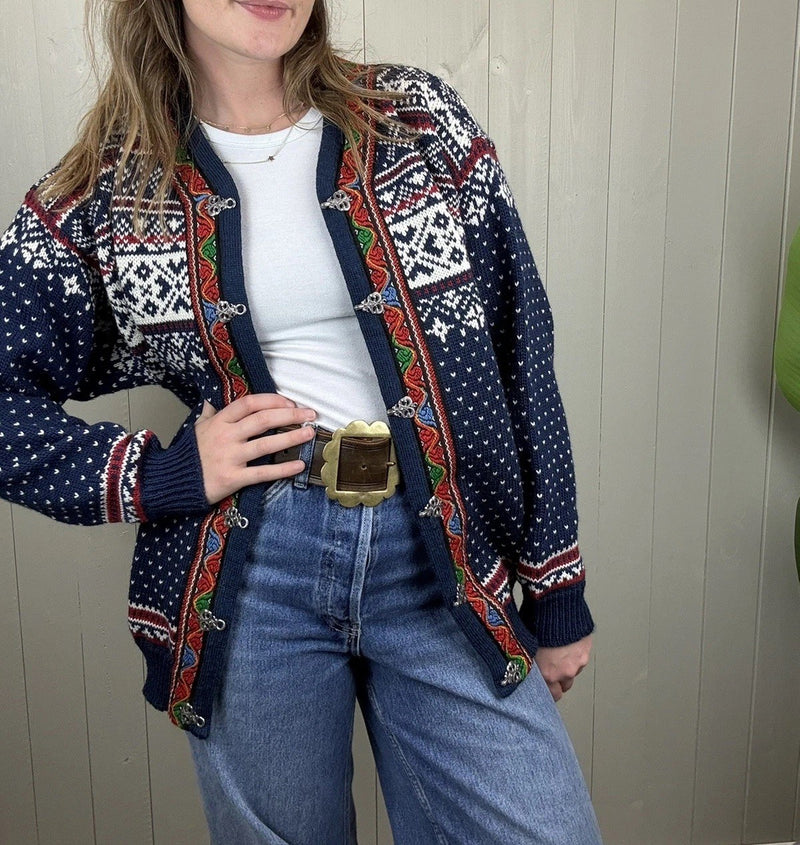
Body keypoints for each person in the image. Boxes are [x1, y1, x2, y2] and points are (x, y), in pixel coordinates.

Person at [0, 0, 603, 842]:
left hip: (439, 557)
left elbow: (520, 346)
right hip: (252, 575)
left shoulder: (413, 122)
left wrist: (557, 584)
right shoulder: (116, 188)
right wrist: (164, 473)